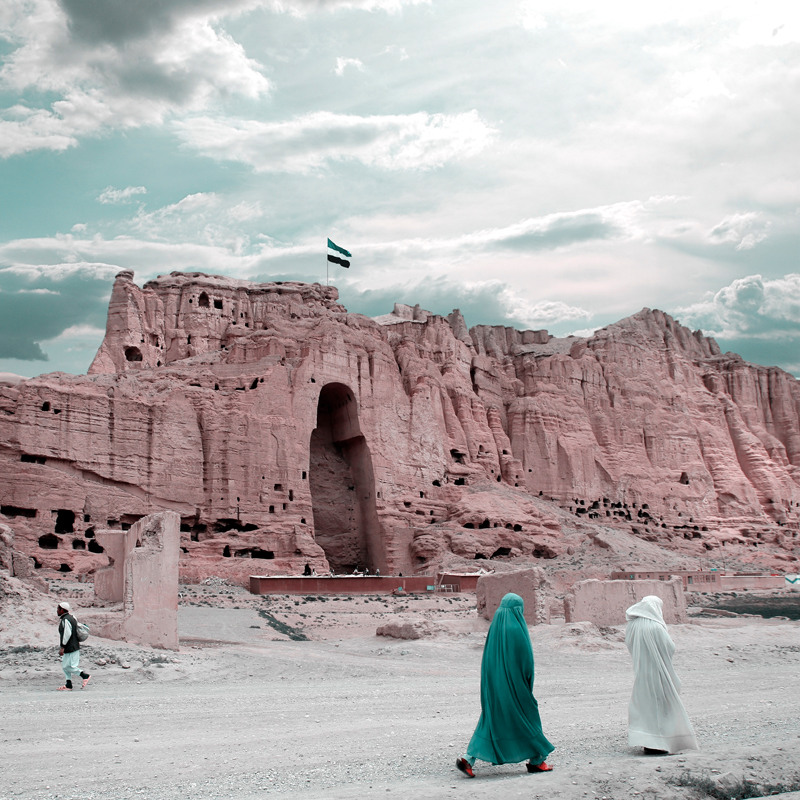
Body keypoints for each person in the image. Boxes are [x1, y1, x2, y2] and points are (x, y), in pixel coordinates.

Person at [456, 593, 554, 778]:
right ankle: (537, 761)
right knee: (528, 718)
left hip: (493, 685)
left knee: (491, 720)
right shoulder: (516, 628)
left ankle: (468, 759)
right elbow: (526, 662)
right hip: (515, 687)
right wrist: (527, 683)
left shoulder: (495, 626)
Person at [625, 596, 698, 755]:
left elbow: (629, 644)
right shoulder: (656, 627)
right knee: (661, 706)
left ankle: (647, 743)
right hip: (658, 672)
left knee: (645, 707)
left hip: (642, 673)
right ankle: (661, 743)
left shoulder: (632, 625)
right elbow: (669, 648)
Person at [56, 602, 90, 691]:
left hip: (70, 647)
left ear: (62, 610)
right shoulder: (72, 617)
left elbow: (67, 633)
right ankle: (68, 684)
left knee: (69, 666)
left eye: (58, 609)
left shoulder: (66, 620)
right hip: (73, 646)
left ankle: (84, 675)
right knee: (64, 665)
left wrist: (62, 646)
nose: (57, 611)